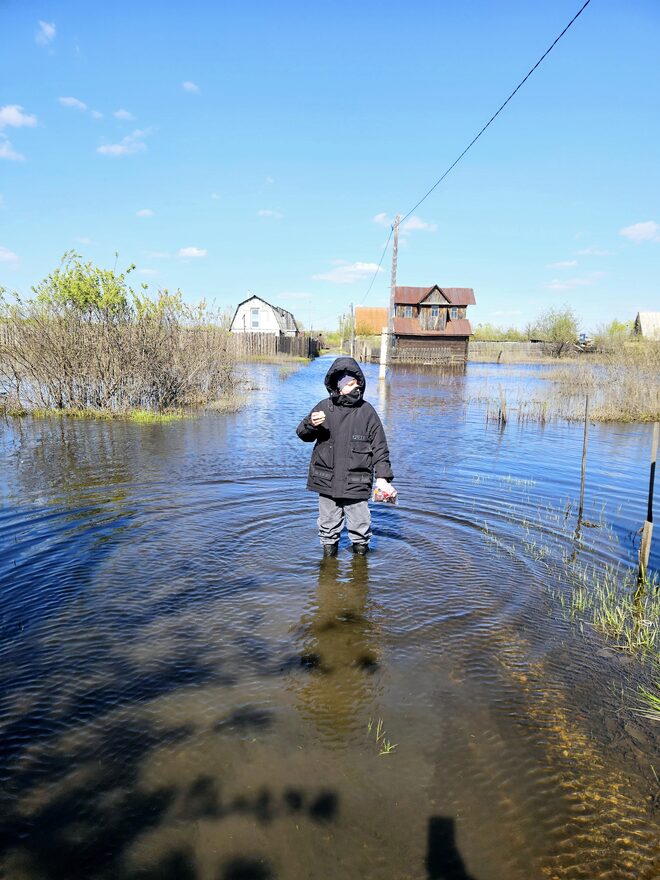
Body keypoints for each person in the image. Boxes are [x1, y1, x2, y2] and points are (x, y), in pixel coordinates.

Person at [296, 356, 395, 556]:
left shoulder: (367, 412)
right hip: (327, 482)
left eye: (356, 382)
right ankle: (328, 567)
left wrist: (383, 478)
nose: (355, 386)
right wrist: (310, 423)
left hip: (357, 482)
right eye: (350, 383)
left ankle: (359, 567)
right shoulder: (323, 407)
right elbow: (302, 434)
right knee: (328, 528)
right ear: (338, 386)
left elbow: (380, 448)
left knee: (361, 528)